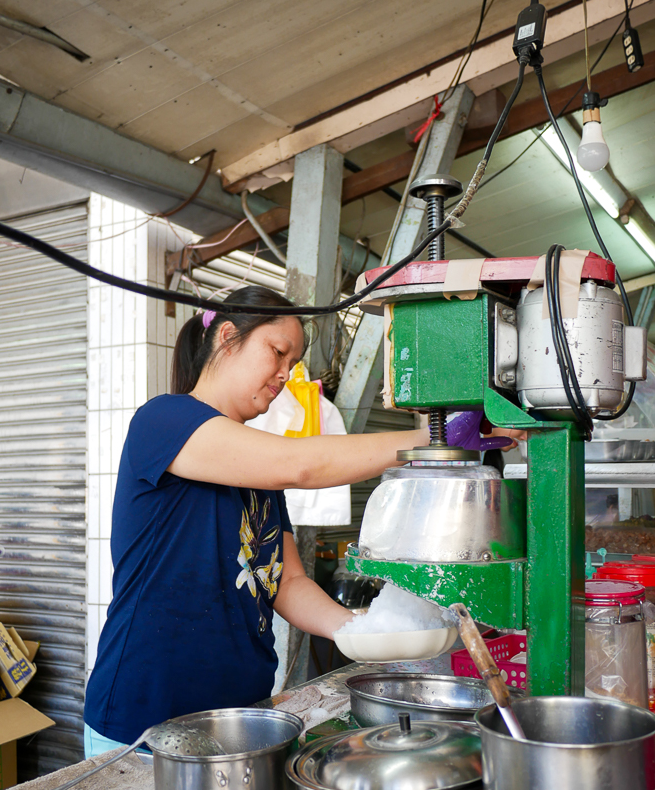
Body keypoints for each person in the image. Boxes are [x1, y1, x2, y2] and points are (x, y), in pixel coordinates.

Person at [83, 285, 520, 755]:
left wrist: (359, 629)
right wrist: (431, 439)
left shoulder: (257, 473)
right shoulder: (164, 419)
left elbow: (286, 582)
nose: (283, 376)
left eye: (291, 366)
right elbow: (299, 465)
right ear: (227, 336)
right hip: (145, 717)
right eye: (276, 352)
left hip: (239, 716)